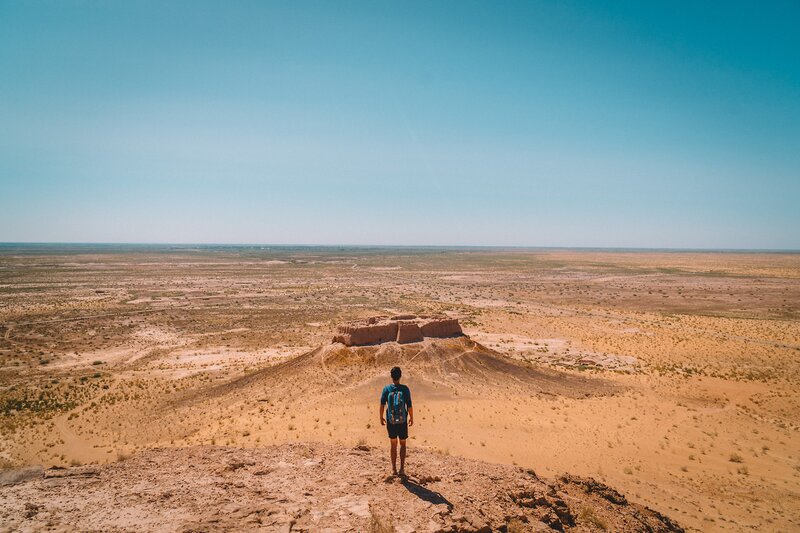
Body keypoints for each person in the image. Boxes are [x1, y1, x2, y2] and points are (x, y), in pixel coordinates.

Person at [379, 366, 413, 477]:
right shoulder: (405, 389)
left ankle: (393, 469)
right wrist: (411, 418)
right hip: (402, 422)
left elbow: (382, 405)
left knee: (393, 445)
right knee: (403, 444)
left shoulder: (386, 389)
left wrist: (381, 417)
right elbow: (409, 406)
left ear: (391, 376)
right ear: (400, 376)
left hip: (391, 421)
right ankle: (402, 469)